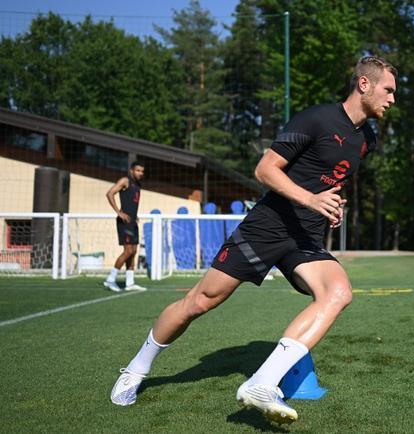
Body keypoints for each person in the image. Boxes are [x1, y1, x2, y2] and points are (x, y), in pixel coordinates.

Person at [109, 56, 398, 424]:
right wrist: (310, 199)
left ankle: (262, 382)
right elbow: (264, 169)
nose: (392, 98)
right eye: (388, 89)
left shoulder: (367, 139)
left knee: (338, 292)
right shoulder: (317, 118)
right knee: (199, 301)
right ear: (363, 84)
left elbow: (328, 180)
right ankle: (136, 368)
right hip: (268, 227)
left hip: (305, 237)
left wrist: (332, 205)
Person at [103, 161, 147, 292]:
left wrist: (135, 215)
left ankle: (130, 283)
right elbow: (109, 193)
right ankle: (110, 279)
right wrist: (119, 212)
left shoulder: (137, 184)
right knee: (128, 251)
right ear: (131, 170)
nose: (140, 173)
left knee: (133, 252)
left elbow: (131, 203)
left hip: (132, 221)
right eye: (138, 170)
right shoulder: (125, 181)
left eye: (142, 171)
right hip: (124, 222)